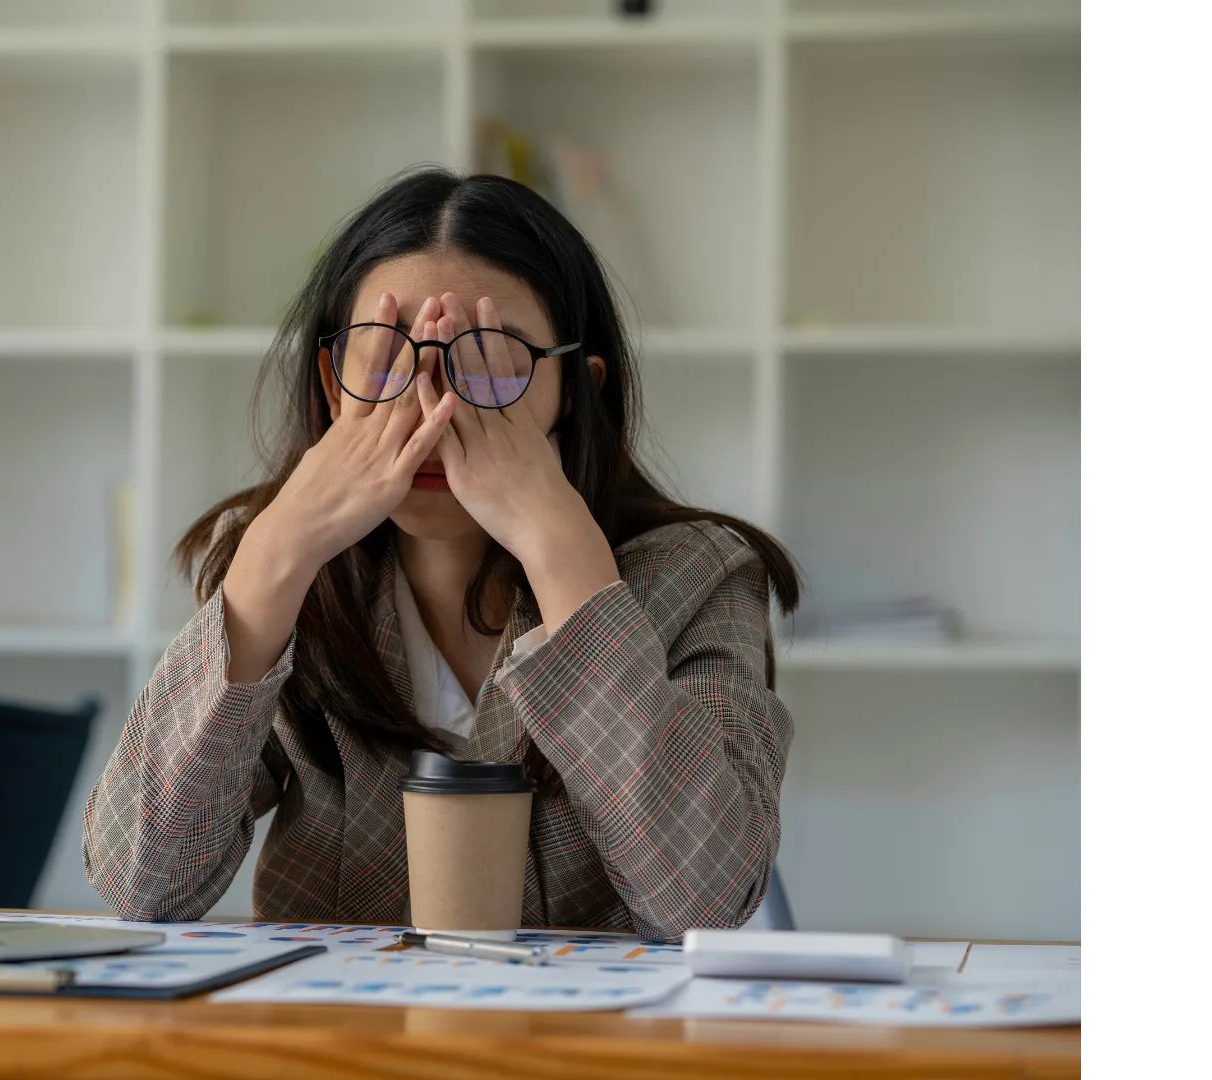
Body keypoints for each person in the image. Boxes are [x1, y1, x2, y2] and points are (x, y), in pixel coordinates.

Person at [83, 168, 800, 942]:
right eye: (386, 355)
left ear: (576, 392)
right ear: (331, 385)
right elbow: (140, 883)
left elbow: (706, 902)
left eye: (489, 359)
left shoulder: (702, 574)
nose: (432, 404)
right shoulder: (280, 570)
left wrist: (567, 560)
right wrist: (275, 556)